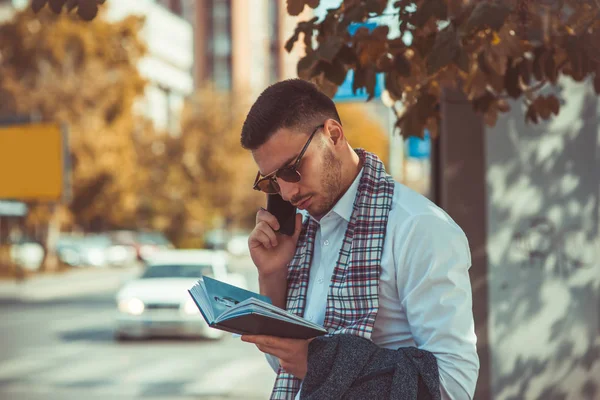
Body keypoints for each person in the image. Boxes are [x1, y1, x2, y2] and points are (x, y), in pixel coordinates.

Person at [240, 79, 479, 399]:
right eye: (271, 182)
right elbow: (287, 366)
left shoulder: (418, 227)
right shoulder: (303, 231)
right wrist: (271, 274)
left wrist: (322, 362)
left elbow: (454, 384)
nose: (288, 192)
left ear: (334, 135)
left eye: (293, 169)